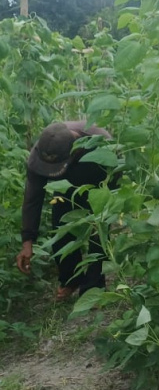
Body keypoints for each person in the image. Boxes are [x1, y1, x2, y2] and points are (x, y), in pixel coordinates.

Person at [16, 121, 114, 301]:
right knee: (60, 230)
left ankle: (93, 288)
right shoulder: (41, 152)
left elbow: (112, 186)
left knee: (98, 233)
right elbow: (32, 199)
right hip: (65, 189)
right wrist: (27, 241)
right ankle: (70, 279)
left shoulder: (101, 146)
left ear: (74, 151)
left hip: (99, 184)